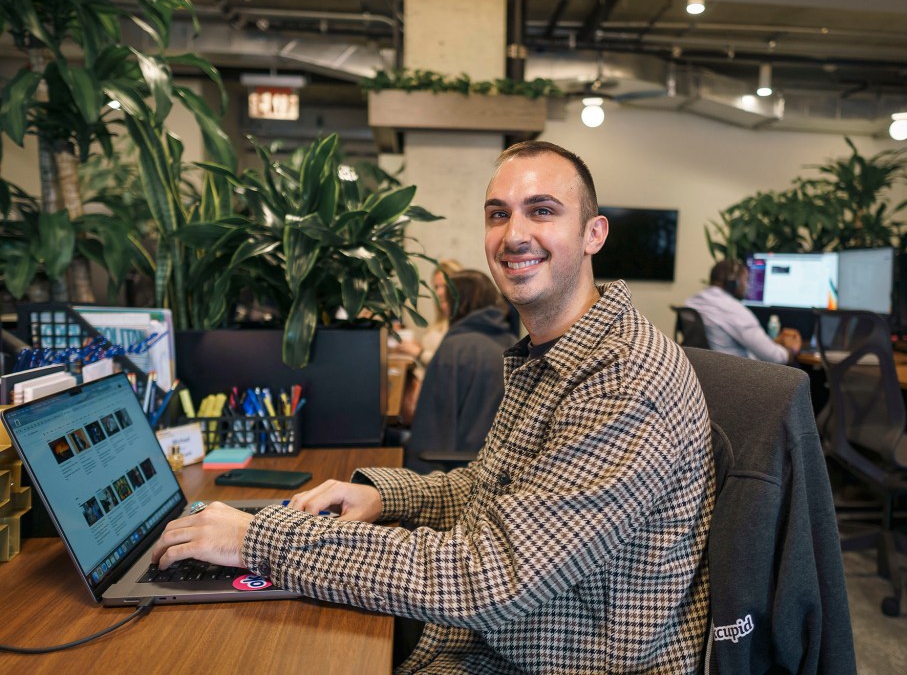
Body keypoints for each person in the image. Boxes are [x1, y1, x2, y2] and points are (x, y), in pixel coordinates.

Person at [152, 141, 715, 673]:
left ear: (594, 234)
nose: (514, 234)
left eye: (542, 211)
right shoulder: (555, 353)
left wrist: (258, 538)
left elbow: (488, 578)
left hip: (554, 659)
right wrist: (383, 494)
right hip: (506, 642)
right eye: (498, 214)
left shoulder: (623, 379)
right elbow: (490, 490)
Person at [403, 269, 519, 473]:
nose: (442, 307)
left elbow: (430, 431)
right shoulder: (511, 343)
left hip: (458, 471)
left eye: (446, 301)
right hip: (500, 467)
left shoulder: (455, 349)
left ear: (461, 303)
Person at [686, 259, 802, 364]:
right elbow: (776, 357)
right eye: (745, 280)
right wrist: (792, 349)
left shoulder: (693, 301)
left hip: (706, 372)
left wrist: (772, 342)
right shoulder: (734, 310)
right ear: (734, 282)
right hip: (738, 377)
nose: (747, 285)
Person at [394, 258, 464, 369]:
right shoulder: (440, 322)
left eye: (444, 286)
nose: (439, 292)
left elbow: (452, 364)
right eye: (436, 287)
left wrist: (420, 353)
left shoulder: (462, 324)